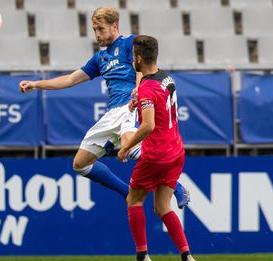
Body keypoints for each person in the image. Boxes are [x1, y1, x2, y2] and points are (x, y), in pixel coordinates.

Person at [19, 7, 189, 208]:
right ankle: (126, 192)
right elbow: (71, 79)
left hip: (131, 105)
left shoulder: (129, 43)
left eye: (100, 29)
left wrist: (139, 89)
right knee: (80, 164)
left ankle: (177, 186)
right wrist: (36, 84)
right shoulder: (100, 59)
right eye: (94, 30)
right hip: (112, 113)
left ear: (114, 26)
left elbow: (143, 68)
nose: (97, 35)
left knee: (130, 143)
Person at [117, 35, 198, 261]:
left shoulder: (148, 87)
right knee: (162, 206)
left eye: (133, 57)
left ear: (139, 58)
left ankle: (142, 257)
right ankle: (187, 257)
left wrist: (126, 147)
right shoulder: (166, 78)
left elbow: (148, 125)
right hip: (175, 151)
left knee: (134, 200)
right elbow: (157, 106)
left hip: (156, 154)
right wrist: (138, 102)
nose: (132, 60)